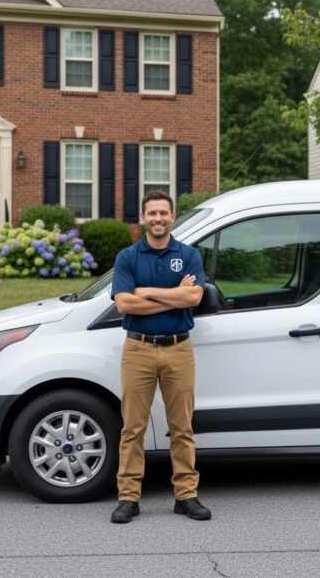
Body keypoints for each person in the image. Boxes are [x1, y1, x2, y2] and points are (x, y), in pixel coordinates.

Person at [109, 190, 210, 524]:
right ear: (142, 218)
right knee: (133, 428)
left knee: (181, 427)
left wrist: (149, 292)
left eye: (163, 213)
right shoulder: (127, 257)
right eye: (151, 213)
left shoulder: (189, 254)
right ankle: (128, 497)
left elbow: (194, 297)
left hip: (179, 348)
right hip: (137, 349)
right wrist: (174, 296)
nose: (157, 219)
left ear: (172, 216)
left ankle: (186, 495)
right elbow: (124, 304)